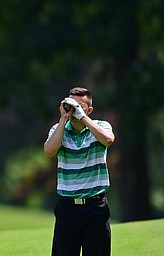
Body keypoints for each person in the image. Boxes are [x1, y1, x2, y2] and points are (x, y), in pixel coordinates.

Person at [44, 87, 115, 256]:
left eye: (79, 105)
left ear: (89, 110)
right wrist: (63, 119)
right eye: (71, 104)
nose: (74, 108)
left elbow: (108, 139)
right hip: (67, 208)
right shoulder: (58, 129)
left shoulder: (101, 126)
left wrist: (82, 117)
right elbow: (49, 150)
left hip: (95, 208)